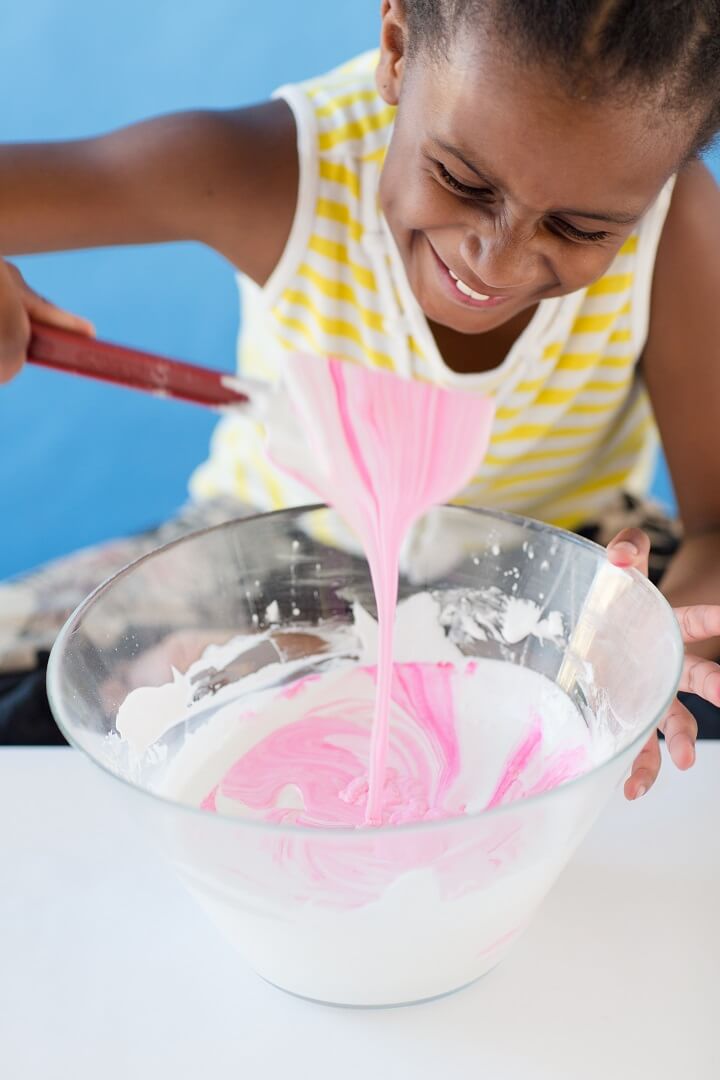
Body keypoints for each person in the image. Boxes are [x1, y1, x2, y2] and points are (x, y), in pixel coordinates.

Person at [1, 0, 720, 798]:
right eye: (461, 179)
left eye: (581, 229)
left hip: (553, 580)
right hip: (264, 551)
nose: (500, 260)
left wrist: (634, 653)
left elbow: (716, 528)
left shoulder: (674, 223)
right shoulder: (275, 171)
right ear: (398, 47)